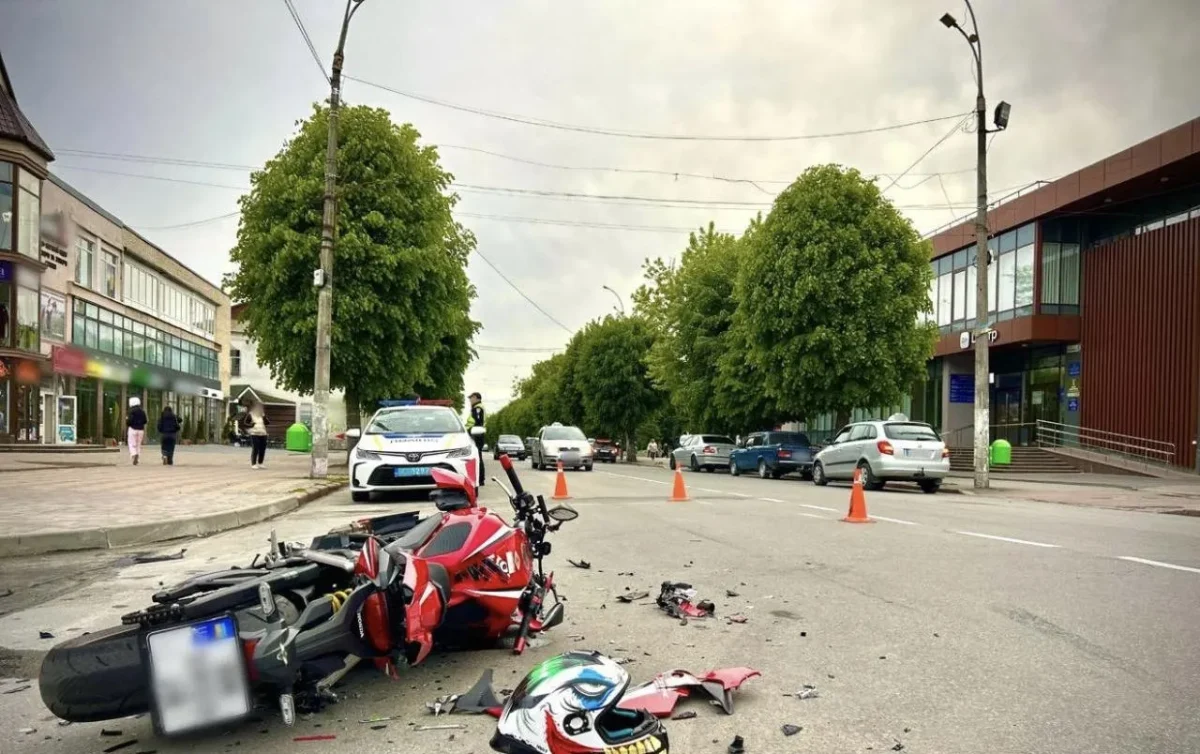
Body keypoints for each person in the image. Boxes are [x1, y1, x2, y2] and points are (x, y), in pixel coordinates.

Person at [241, 402, 270, 468]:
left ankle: (260, 463)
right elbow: (245, 423)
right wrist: (251, 425)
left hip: (263, 433)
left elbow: (267, 423)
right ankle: (253, 464)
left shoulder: (262, 415)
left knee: (262, 449)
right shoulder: (251, 414)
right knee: (256, 448)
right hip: (254, 434)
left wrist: (264, 416)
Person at [465, 391, 486, 485]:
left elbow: (478, 423)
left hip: (476, 435)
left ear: (477, 398)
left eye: (472, 398)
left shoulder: (477, 408)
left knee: (478, 457)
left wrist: (470, 431)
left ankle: (480, 479)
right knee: (477, 456)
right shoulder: (476, 408)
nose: (470, 400)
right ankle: (480, 479)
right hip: (477, 434)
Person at [126, 397, 148, 465]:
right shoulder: (142, 411)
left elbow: (129, 421)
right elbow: (145, 421)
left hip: (132, 429)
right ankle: (137, 458)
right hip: (141, 430)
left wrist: (127, 422)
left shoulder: (131, 411)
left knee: (131, 443)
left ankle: (134, 454)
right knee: (138, 444)